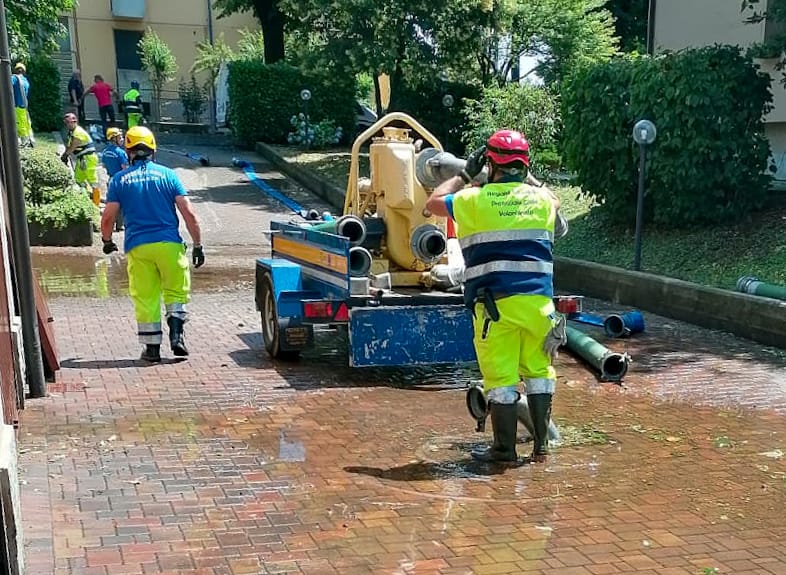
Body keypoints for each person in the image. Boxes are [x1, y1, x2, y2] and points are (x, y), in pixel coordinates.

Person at [425, 130, 567, 464]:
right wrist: (530, 177)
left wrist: (463, 175)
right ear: (525, 165)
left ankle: (504, 451)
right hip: (540, 306)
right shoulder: (543, 200)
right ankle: (541, 446)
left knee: (502, 379)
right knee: (538, 371)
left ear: (489, 163)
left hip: (495, 307)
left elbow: (432, 203)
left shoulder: (472, 201)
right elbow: (554, 200)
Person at [100, 126, 205, 363]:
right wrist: (197, 244)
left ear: (128, 150)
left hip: (138, 246)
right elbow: (189, 214)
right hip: (170, 244)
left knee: (146, 296)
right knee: (176, 290)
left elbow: (107, 218)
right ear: (152, 150)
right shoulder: (168, 175)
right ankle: (177, 336)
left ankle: (152, 350)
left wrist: (107, 241)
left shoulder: (119, 180)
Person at [61, 112, 101, 205]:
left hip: (88, 158)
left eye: (68, 122)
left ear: (74, 121)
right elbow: (69, 145)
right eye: (66, 122)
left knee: (93, 181)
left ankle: (96, 203)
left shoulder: (78, 132)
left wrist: (65, 155)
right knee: (78, 179)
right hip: (82, 159)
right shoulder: (72, 132)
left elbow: (73, 146)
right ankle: (86, 198)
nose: (67, 124)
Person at [101, 127, 129, 231]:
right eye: (120, 137)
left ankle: (111, 224)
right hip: (121, 180)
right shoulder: (120, 153)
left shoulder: (105, 151)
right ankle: (120, 225)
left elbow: (103, 165)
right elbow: (125, 168)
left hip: (111, 179)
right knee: (122, 204)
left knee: (112, 203)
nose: (122, 139)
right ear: (114, 139)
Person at [11, 63, 34, 147]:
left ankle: (23, 143)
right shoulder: (26, 81)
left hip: (16, 106)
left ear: (15, 70)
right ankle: (29, 141)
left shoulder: (14, 78)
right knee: (26, 124)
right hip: (24, 107)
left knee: (18, 126)